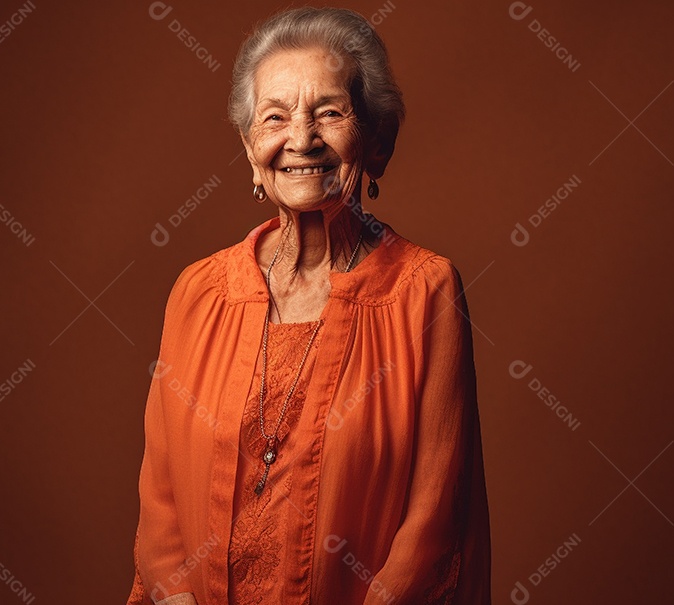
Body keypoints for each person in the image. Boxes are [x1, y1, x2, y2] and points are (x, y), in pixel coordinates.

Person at [125, 7, 491, 604]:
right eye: (275, 117)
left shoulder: (424, 291)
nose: (301, 139)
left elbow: (434, 516)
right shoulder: (198, 293)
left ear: (375, 140)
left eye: (329, 112)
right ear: (251, 149)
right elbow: (160, 495)